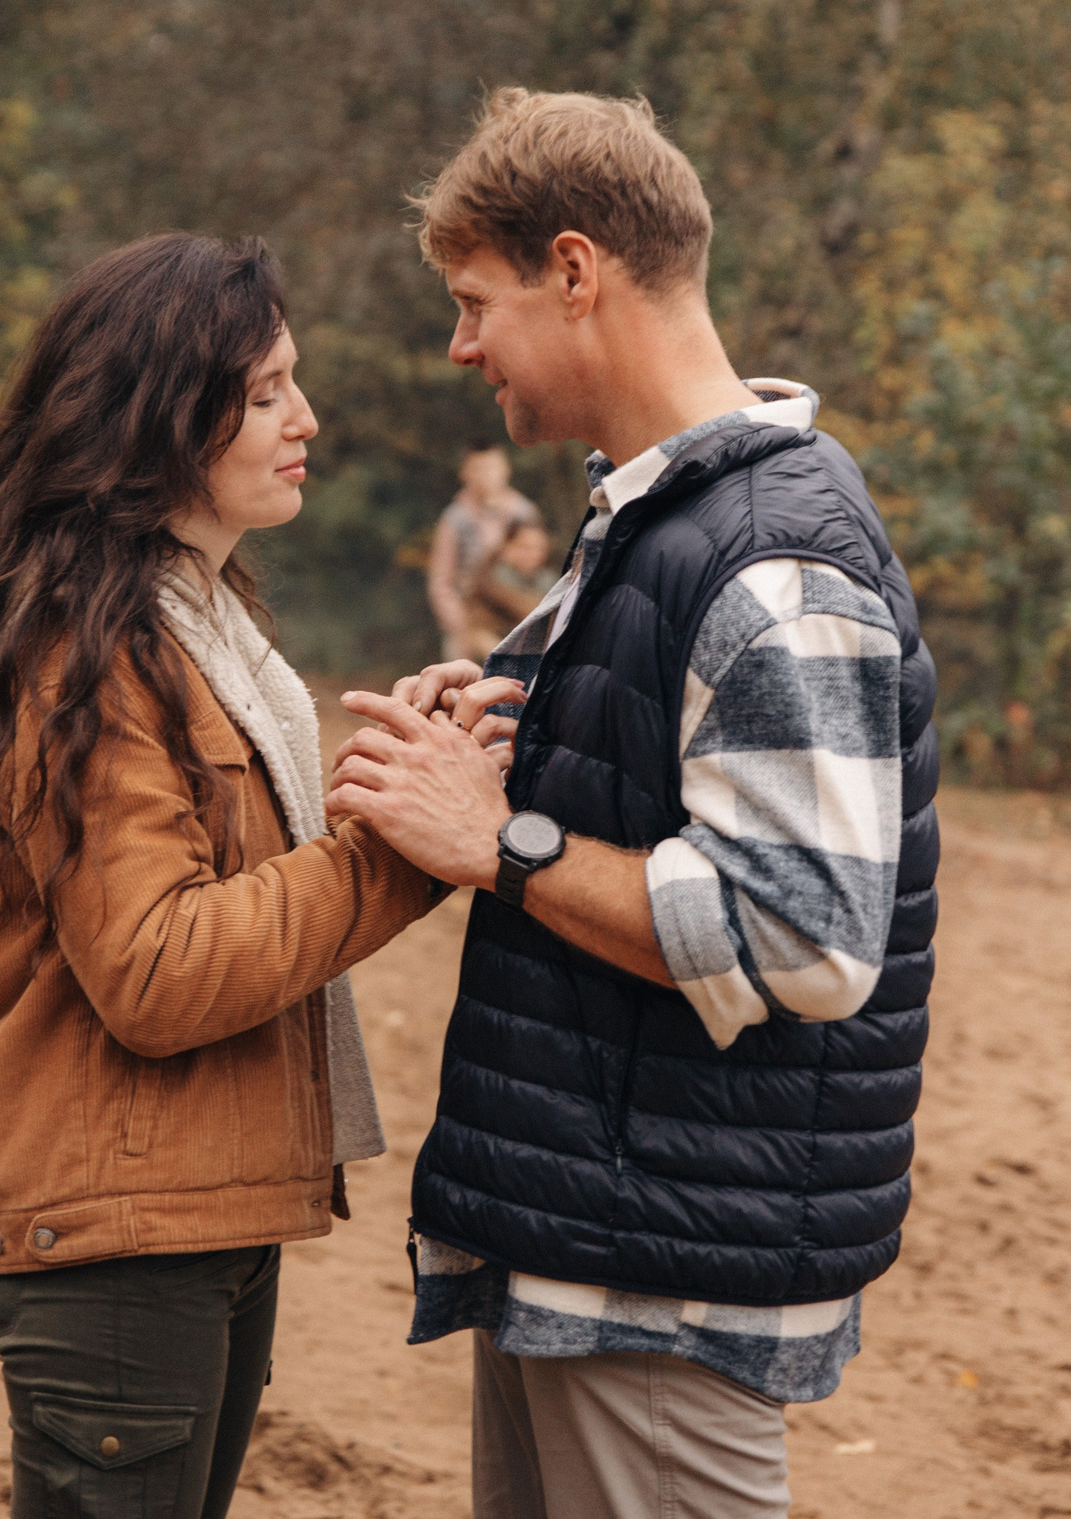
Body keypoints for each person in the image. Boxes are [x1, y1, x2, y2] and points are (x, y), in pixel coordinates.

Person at [324, 89, 940, 1519]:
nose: (460, 342)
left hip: (664, 1273)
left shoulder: (775, 561)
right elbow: (674, 787)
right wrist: (513, 727)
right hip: (600, 1234)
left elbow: (805, 938)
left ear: (578, 272)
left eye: (478, 300)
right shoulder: (658, 520)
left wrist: (503, 839)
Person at [0, 233, 444, 1519]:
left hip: (194, 1207)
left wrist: (398, 766)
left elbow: (237, 858)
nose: (304, 418)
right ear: (154, 416)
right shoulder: (90, 649)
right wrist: (402, 844)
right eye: (262, 394)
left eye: (291, 382)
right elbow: (155, 970)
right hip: (114, 1234)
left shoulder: (195, 619)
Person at [427, 443, 542, 662]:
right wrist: (462, 626)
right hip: (471, 616)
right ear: (464, 473)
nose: (486, 475)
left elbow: (538, 565)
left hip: (519, 612)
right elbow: (441, 582)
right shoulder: (455, 519)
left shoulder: (524, 512)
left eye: (492, 467)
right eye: (478, 469)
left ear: (506, 469)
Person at [466, 518, 554, 647]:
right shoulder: (491, 581)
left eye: (539, 548)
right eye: (524, 547)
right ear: (506, 547)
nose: (533, 555)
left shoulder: (546, 579)